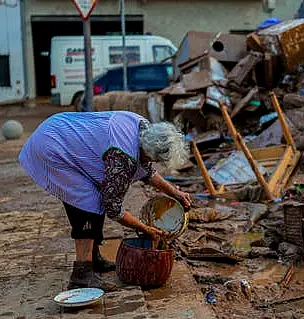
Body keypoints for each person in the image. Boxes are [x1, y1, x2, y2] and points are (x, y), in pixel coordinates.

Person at [19, 111, 193, 291]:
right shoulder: (122, 159)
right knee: (86, 203)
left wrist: (175, 193)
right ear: (152, 154)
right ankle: (82, 275)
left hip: (59, 128)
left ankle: (93, 258)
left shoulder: (142, 127)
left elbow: (146, 170)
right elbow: (113, 208)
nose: (154, 163)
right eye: (156, 160)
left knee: (97, 199)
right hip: (52, 148)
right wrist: (145, 228)